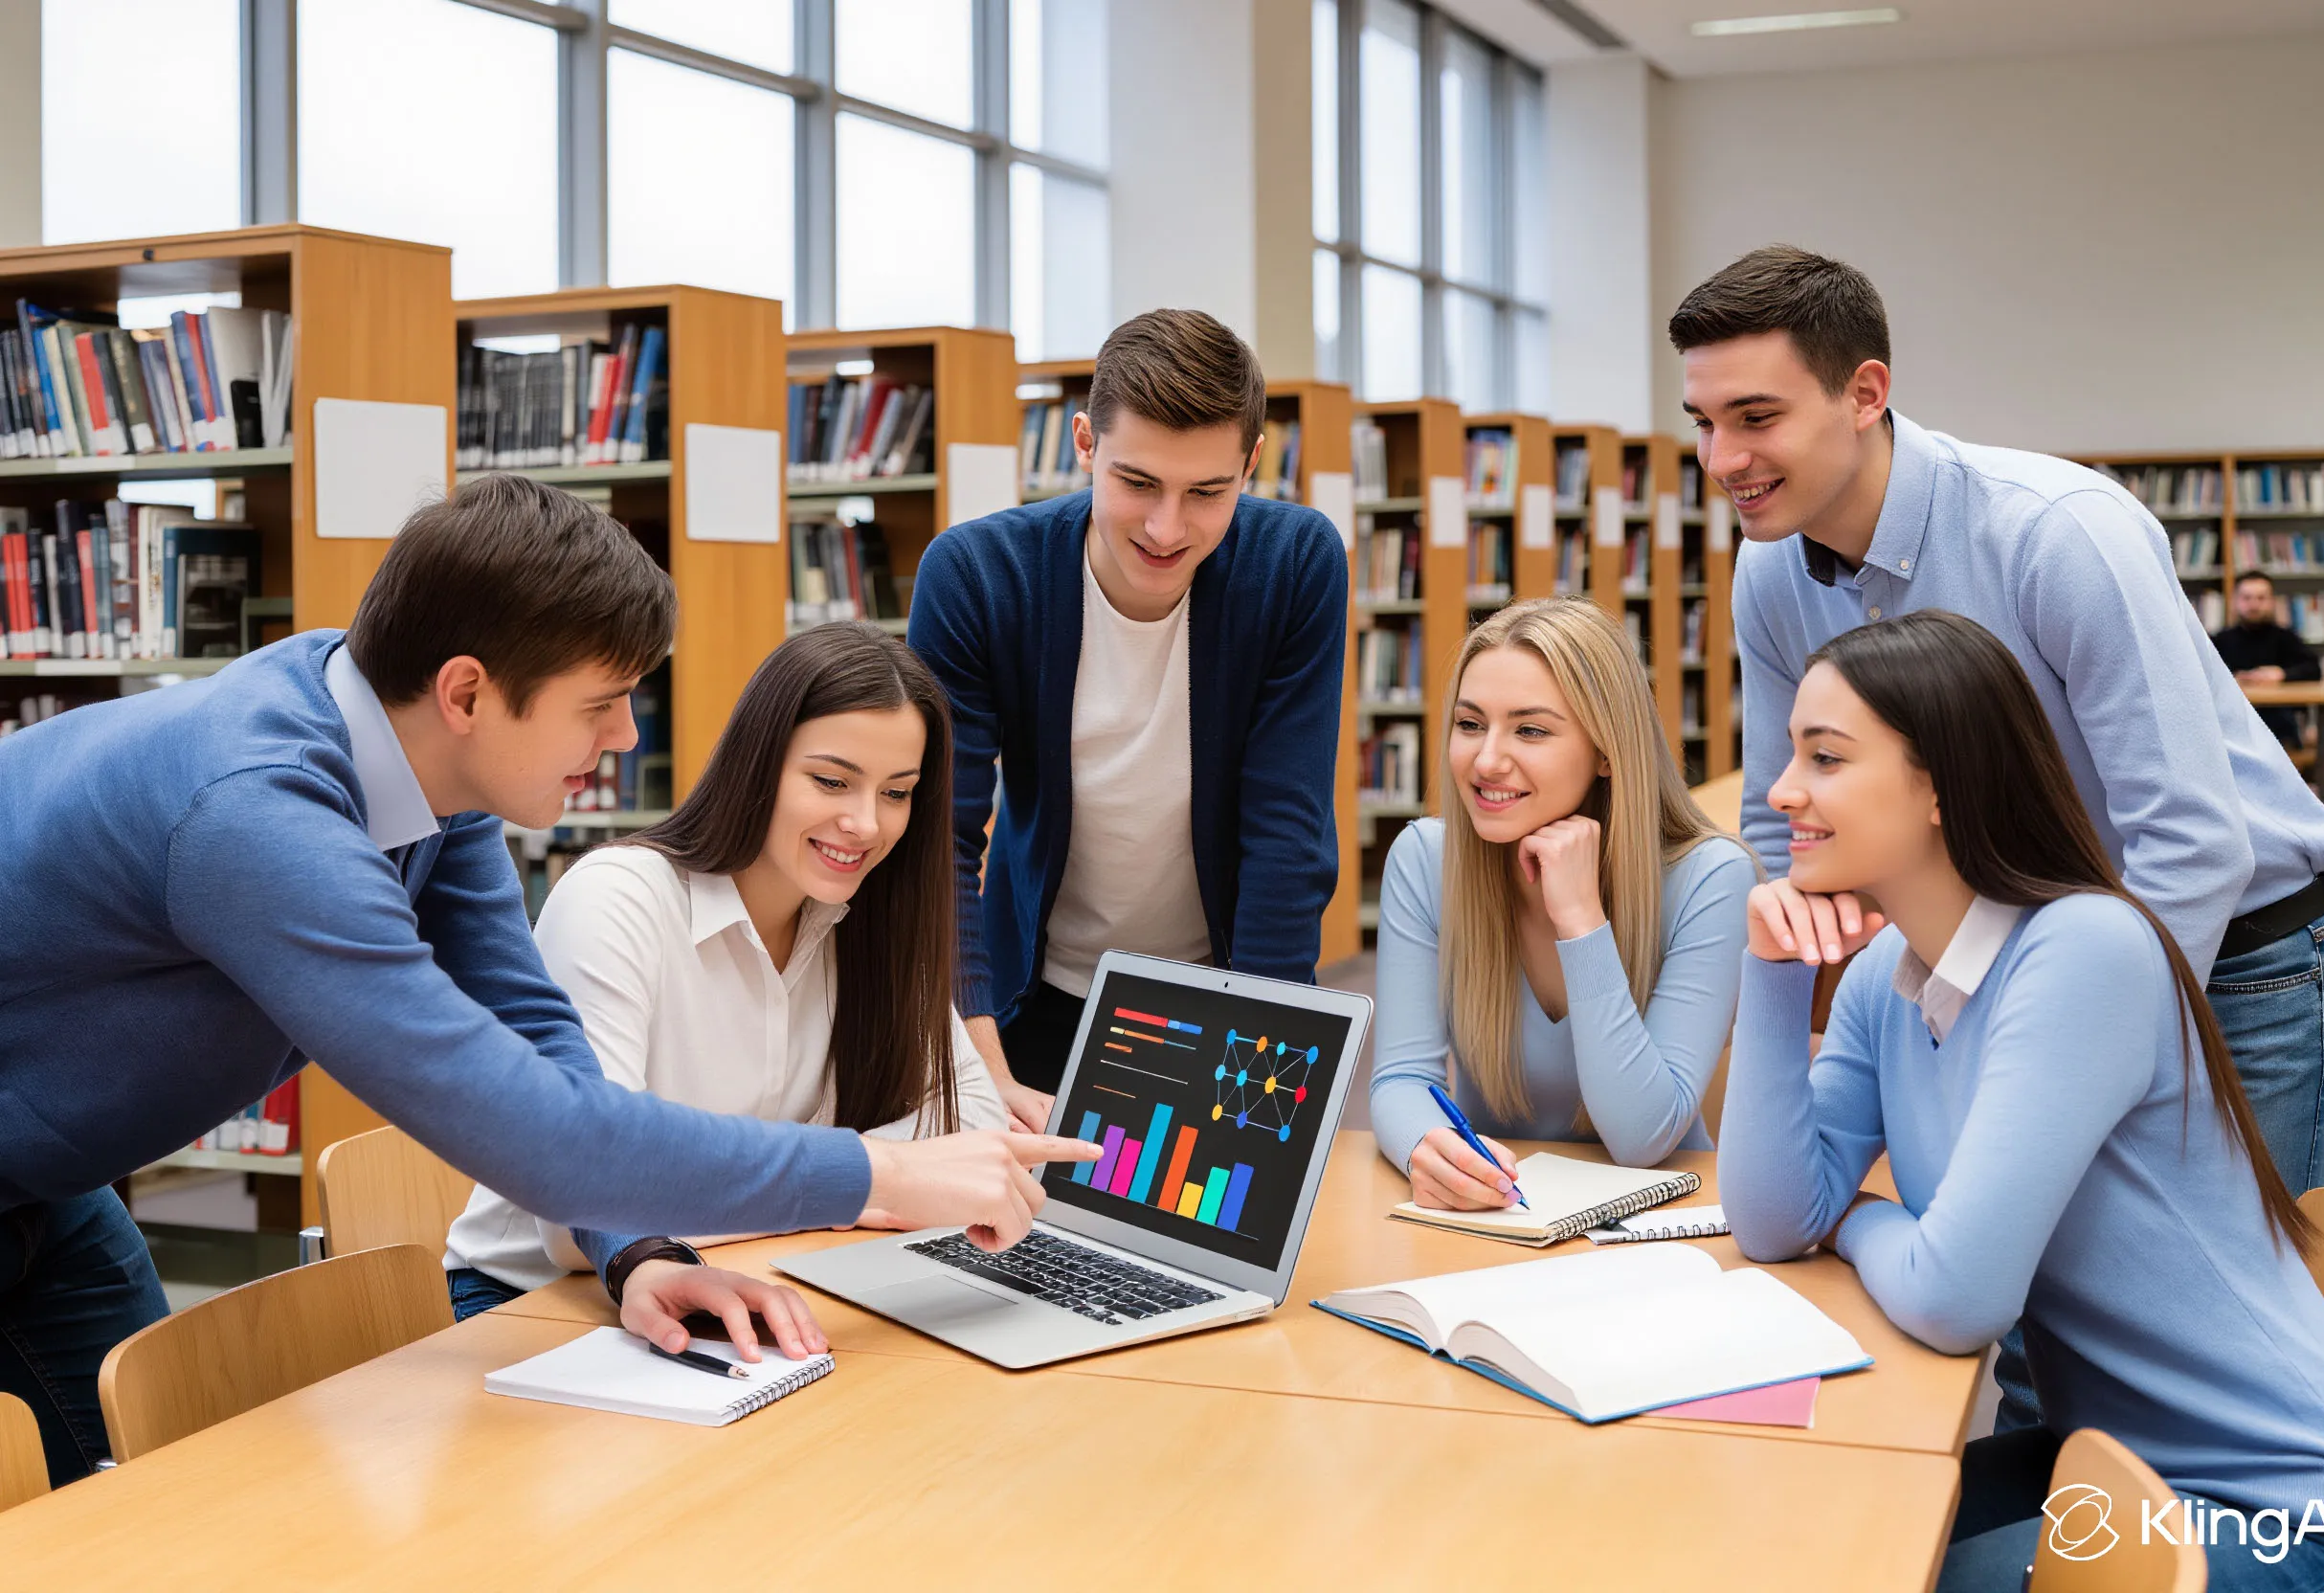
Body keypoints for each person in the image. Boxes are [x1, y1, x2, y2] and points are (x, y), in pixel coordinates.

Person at [0, 477, 1093, 1487]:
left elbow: (538, 1039)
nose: (625, 735)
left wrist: (634, 1250)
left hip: (49, 1186)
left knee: (140, 1499)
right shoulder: (258, 814)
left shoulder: (423, 771)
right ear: (466, 691)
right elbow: (530, 1129)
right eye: (600, 702)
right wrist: (879, 1173)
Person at [1722, 611, 2324, 1593]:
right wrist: (1775, 973)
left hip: (2291, 1511)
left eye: (1825, 757)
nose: (1782, 790)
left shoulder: (2083, 951)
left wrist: (1854, 1217)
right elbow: (1773, 1219)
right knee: (1815, 1537)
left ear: (1941, 784)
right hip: (2113, 1458)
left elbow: (1957, 1299)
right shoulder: (1882, 977)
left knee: (1892, 1571)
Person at [1675, 245, 2324, 1203]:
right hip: (2004, 958)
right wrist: (1814, 927)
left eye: (1756, 417)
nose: (1721, 461)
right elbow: (1779, 817)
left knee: (2212, 1285)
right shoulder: (1770, 571)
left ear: (1865, 394)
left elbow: (2195, 846)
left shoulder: (2057, 532)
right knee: (2034, 1285)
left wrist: (2059, 1052)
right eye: (1704, 424)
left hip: (2237, 957)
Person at [443, 623, 1011, 1346]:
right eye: (831, 781)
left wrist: (838, 1186)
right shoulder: (619, 899)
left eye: (897, 792)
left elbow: (973, 1123)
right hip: (541, 1300)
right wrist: (860, 1184)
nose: (865, 823)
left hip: (752, 1273)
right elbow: (581, 1203)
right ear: (758, 764)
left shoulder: (877, 919)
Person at [907, 308, 1348, 1128]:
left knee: (1234, 1195)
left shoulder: (1295, 565)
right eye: (1138, 483)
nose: (1166, 529)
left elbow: (1287, 836)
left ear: (1253, 463)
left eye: (1207, 492)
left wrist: (1267, 1066)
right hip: (1029, 1001)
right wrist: (975, 1062)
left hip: (1227, 996)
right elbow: (941, 838)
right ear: (1085, 443)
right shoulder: (977, 575)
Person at [1370, 599, 1756, 1205]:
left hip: (1656, 1219)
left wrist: (1582, 921)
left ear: (1606, 750)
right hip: (1499, 1218)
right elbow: (1400, 1079)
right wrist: (1428, 1146)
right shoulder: (1425, 860)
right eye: (1470, 724)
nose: (1487, 760)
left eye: (1530, 730)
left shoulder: (1712, 878)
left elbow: (1642, 1137)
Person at [2211, 570, 2321, 751]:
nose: (2254, 605)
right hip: (2233, 725)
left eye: (2261, 598)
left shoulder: (2286, 638)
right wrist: (2232, 678)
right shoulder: (2220, 641)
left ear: (2272, 601)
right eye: (2247, 598)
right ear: (2235, 601)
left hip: (2279, 728)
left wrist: (2281, 674)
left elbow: (2314, 669)